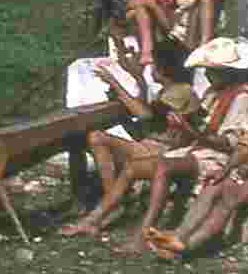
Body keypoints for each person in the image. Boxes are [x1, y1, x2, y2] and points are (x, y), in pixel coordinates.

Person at [146, 53, 248, 261]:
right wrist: (226, 169)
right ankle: (180, 236)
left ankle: (189, 246)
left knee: (232, 196)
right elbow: (246, 145)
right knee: (215, 185)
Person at [111, 37, 248, 254]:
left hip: (217, 156)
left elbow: (229, 143)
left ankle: (142, 235)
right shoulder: (212, 94)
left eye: (212, 71)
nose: (207, 76)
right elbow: (201, 124)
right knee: (135, 166)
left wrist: (189, 130)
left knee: (162, 167)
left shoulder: (242, 98)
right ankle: (96, 218)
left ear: (227, 72)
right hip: (197, 149)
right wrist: (184, 125)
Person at [59, 41, 199, 237]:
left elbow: (145, 114)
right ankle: (112, 201)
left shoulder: (182, 91)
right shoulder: (170, 91)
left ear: (164, 67)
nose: (152, 69)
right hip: (149, 146)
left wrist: (115, 84)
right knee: (96, 137)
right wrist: (136, 77)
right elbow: (148, 121)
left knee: (97, 138)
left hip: (161, 151)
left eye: (154, 65)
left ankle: (109, 205)